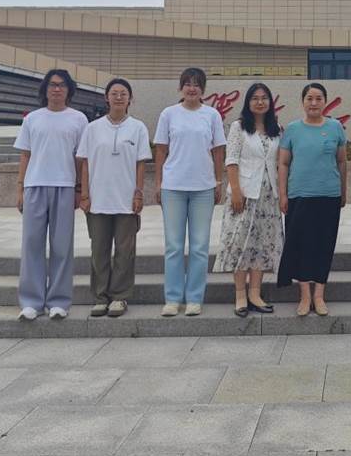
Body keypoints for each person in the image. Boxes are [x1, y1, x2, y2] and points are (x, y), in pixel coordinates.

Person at [14, 68, 88, 321]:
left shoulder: (78, 119)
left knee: (62, 246)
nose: (57, 89)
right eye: (52, 85)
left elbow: (81, 159)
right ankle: (31, 302)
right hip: (35, 185)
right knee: (32, 244)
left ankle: (59, 301)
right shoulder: (32, 119)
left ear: (69, 90)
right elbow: (25, 155)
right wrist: (20, 188)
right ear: (45, 90)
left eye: (62, 85)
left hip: (64, 186)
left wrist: (79, 189)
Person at [76, 78, 151, 318]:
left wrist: (138, 193)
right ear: (106, 98)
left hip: (126, 201)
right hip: (98, 200)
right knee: (99, 250)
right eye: (114, 93)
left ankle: (119, 296)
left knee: (124, 251)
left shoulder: (138, 127)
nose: (119, 97)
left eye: (123, 94)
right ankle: (100, 297)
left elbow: (140, 164)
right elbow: (85, 163)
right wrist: (84, 194)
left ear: (130, 99)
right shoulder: (93, 128)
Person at [154, 67, 226, 317]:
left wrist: (218, 181)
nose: (192, 88)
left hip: (203, 188)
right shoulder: (169, 114)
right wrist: (159, 183)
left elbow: (218, 150)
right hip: (173, 186)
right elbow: (161, 150)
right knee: (174, 246)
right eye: (187, 83)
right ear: (180, 87)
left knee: (199, 246)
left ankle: (194, 297)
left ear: (203, 89)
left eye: (196, 84)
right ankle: (173, 298)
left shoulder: (212, 115)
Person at [277, 82, 347, 317]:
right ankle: (305, 296)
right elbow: (283, 163)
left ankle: (319, 295)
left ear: (325, 101)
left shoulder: (335, 127)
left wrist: (343, 191)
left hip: (328, 195)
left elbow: (341, 161)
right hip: (299, 195)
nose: (314, 103)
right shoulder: (293, 129)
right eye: (309, 98)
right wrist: (283, 194)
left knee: (324, 245)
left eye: (318, 98)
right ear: (303, 102)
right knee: (301, 245)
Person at [213, 83, 284, 317]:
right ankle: (240, 295)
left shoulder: (277, 129)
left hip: (268, 196)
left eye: (264, 98)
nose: (260, 102)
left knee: (261, 244)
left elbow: (280, 162)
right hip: (244, 194)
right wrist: (235, 190)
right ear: (248, 102)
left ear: (270, 102)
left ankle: (255, 293)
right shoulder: (239, 127)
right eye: (255, 98)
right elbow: (231, 159)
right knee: (240, 243)